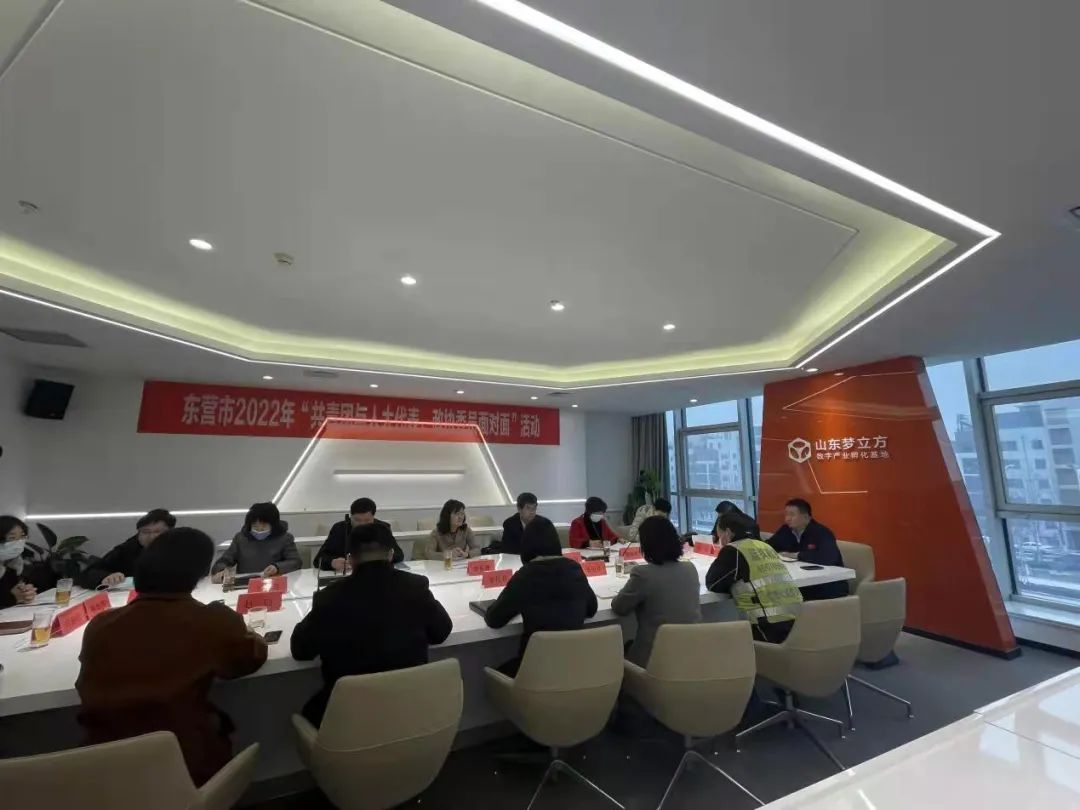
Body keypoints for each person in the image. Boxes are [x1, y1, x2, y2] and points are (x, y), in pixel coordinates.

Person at [76, 528, 268, 786]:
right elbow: (251, 657)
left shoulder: (101, 625)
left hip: (102, 771)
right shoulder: (212, 621)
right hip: (185, 767)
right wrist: (247, 631)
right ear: (200, 573)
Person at [291, 522, 452, 725]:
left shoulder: (329, 598)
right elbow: (441, 631)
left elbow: (301, 650)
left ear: (351, 559)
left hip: (348, 719)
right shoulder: (415, 586)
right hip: (409, 712)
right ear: (391, 554)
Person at [485, 516, 598, 676]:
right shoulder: (573, 568)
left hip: (533, 672)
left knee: (488, 674)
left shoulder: (526, 575)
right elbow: (592, 609)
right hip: (573, 668)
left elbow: (494, 619)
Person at [611, 516, 701, 666]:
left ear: (646, 545)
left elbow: (619, 607)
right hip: (689, 655)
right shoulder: (690, 569)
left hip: (653, 660)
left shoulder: (643, 574)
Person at [705, 512, 803, 643]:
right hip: (798, 623)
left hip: (767, 627)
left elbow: (712, 583)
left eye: (719, 535)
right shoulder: (765, 547)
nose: (719, 541)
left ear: (727, 533)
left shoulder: (733, 550)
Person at [767, 498, 847, 600]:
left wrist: (796, 555)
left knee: (782, 594)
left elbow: (829, 557)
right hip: (804, 581)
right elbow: (769, 545)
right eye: (786, 515)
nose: (787, 519)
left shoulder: (821, 532)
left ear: (806, 517)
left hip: (829, 585)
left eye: (792, 515)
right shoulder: (786, 530)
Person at [78, 509, 177, 589]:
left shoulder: (181, 546)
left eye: (158, 532)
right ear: (138, 534)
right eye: (145, 532)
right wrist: (106, 577)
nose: (152, 537)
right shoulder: (129, 548)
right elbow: (88, 574)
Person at [211, 502, 301, 581]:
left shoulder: (285, 538)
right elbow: (224, 560)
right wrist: (221, 570)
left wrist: (277, 567)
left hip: (274, 581)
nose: (259, 530)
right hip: (246, 583)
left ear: (273, 525)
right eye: (255, 526)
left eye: (264, 526)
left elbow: (295, 562)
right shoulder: (240, 538)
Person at [313, 497, 403, 571]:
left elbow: (399, 554)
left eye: (367, 520)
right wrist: (332, 563)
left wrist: (388, 557)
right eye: (357, 520)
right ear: (350, 516)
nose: (362, 524)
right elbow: (319, 559)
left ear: (373, 517)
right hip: (348, 576)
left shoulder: (382, 528)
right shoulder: (339, 529)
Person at [0, 516, 56, 609]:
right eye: (12, 538)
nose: (18, 543)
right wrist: (13, 598)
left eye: (22, 537)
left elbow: (12, 593)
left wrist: (25, 593)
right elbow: (8, 598)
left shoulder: (14, 565)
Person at [415, 499, 482, 560]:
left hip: (460, 565)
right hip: (443, 566)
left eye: (462, 514)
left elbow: (477, 549)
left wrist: (467, 554)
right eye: (457, 514)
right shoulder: (437, 532)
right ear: (447, 515)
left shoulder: (466, 530)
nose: (460, 517)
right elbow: (429, 554)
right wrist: (449, 554)